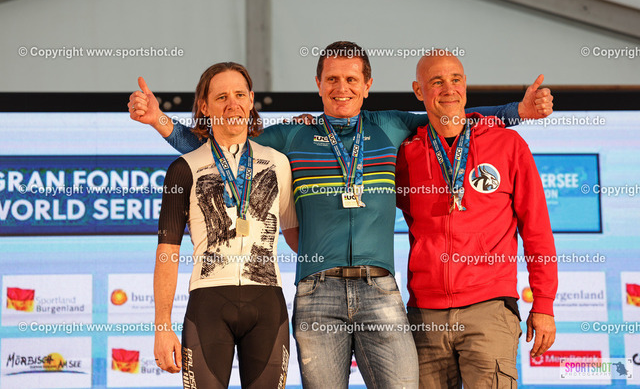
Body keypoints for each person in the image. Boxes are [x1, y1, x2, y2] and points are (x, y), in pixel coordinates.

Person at [130, 41, 553, 388]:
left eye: (351, 79)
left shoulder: (391, 126)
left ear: (368, 85)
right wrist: (158, 121)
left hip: (381, 291)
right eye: (332, 79)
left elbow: (450, 114)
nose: (342, 88)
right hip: (317, 295)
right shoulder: (294, 135)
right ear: (318, 84)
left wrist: (518, 113)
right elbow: (220, 144)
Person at [395, 52, 558, 388]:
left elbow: (537, 230)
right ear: (418, 90)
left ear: (465, 85)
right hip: (425, 316)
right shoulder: (406, 153)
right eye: (437, 81)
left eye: (455, 79)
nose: (448, 89)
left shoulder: (508, 144)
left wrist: (543, 303)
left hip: (490, 310)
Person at [151, 62, 299, 388]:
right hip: (208, 304)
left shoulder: (278, 163)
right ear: (204, 106)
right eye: (221, 97)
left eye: (239, 95)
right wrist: (162, 326)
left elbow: (296, 237)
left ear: (251, 100)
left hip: (268, 304)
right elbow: (167, 252)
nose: (233, 104)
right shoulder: (183, 168)